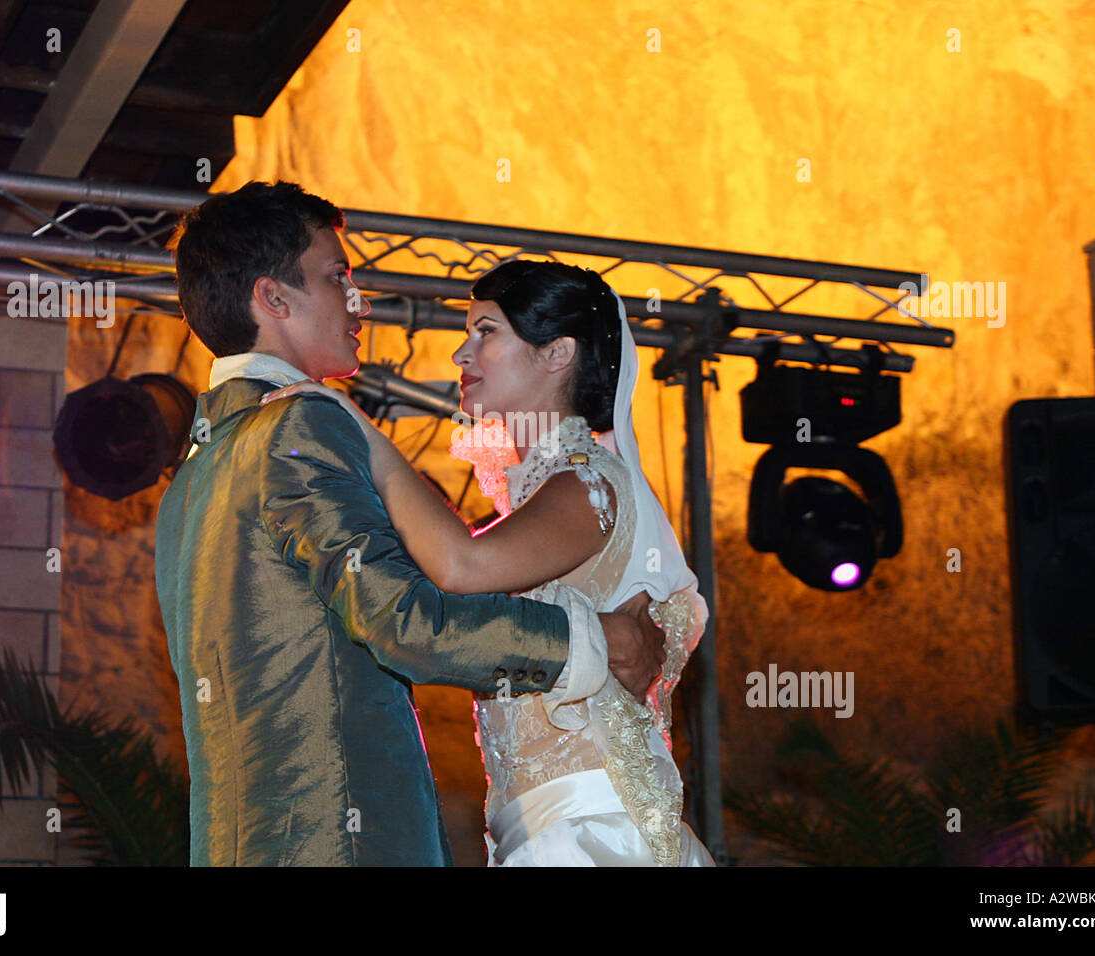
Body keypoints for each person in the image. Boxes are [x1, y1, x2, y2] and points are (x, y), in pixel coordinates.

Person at [153, 181, 667, 866]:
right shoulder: (299, 425)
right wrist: (591, 642)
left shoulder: (196, 469)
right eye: (338, 278)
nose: (358, 302)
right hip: (337, 837)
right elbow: (404, 622)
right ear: (274, 299)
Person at [263, 260, 714, 866]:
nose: (460, 354)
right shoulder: (545, 492)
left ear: (557, 354)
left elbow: (460, 569)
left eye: (486, 332)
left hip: (587, 831)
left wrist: (353, 427)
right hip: (532, 827)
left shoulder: (588, 484)